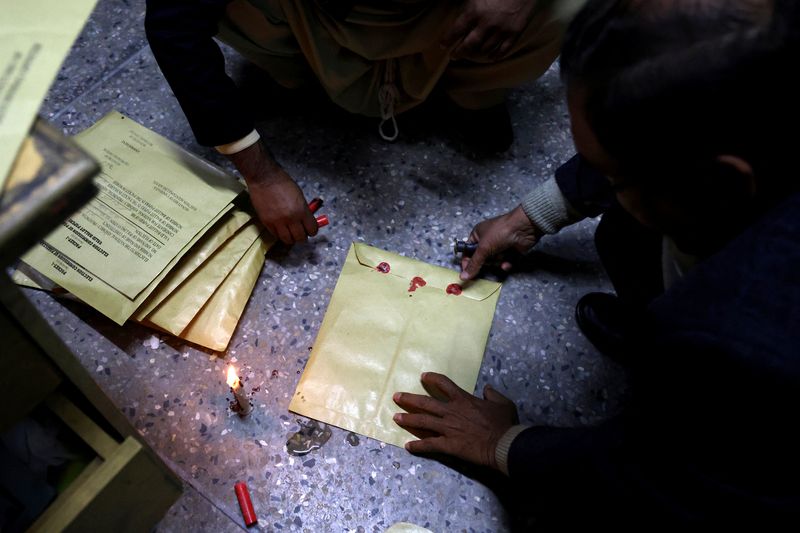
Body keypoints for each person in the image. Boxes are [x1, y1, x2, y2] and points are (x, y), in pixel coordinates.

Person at [393, 0, 800, 525]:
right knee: (625, 233)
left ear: (717, 185)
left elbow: (643, 475)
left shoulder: (740, 342)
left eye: (614, 175)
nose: (602, 178)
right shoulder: (763, 90)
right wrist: (529, 218)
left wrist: (503, 443)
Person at [145, 0, 587, 245]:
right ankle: (306, 73)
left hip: (446, 13)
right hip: (313, 14)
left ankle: (474, 92)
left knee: (560, 9)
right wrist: (258, 172)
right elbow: (172, 22)